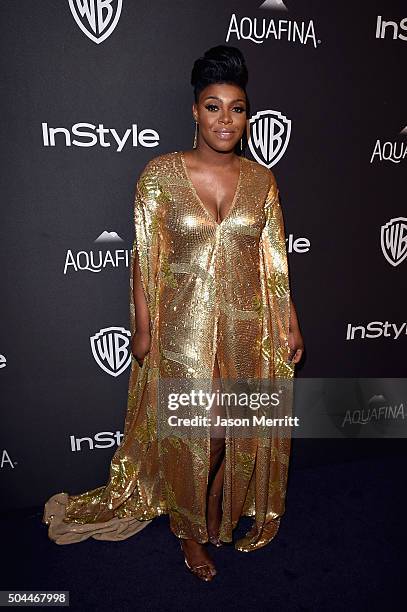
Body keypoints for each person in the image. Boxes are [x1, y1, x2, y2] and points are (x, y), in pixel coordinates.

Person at [43, 45, 304, 582]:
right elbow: (143, 257)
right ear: (194, 111)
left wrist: (289, 322)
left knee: (234, 430)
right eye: (213, 106)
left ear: (247, 115)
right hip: (181, 332)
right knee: (197, 433)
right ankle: (190, 530)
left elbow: (275, 260)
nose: (225, 119)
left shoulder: (262, 182)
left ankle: (216, 513)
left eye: (236, 108)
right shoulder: (160, 175)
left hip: (246, 329)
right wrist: (141, 327)